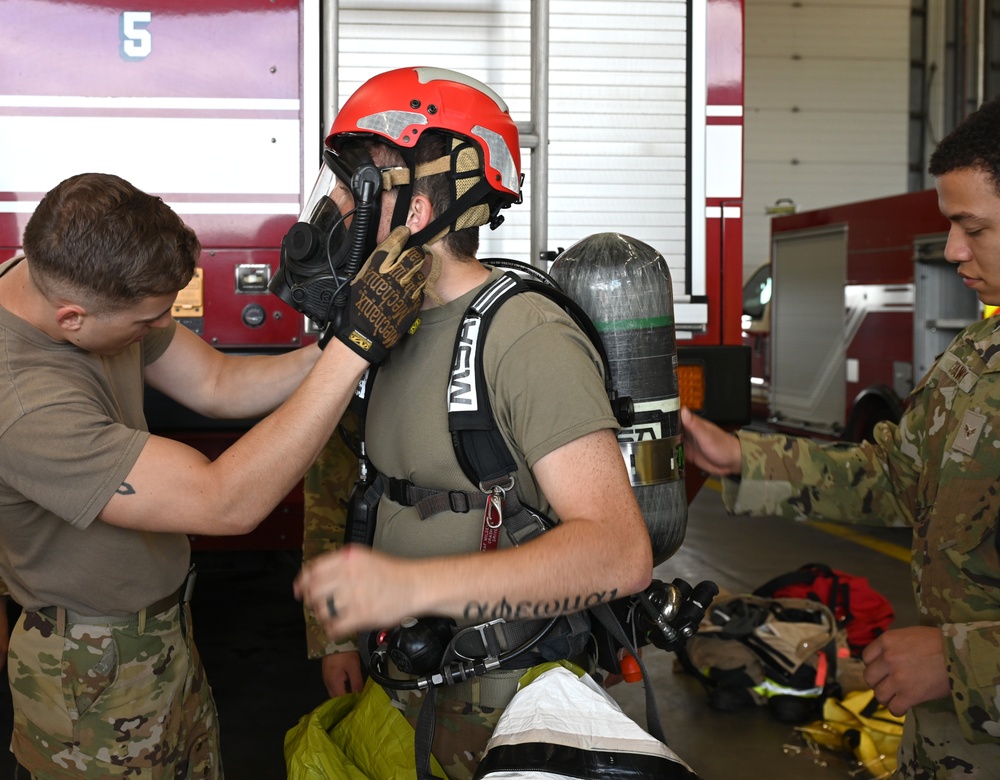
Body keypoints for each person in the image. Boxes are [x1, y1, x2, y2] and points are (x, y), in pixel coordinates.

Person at [0, 171, 428, 778]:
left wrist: (333, 345)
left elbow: (218, 384)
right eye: (148, 322)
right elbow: (223, 500)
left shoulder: (84, 280)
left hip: (161, 633)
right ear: (71, 318)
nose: (158, 330)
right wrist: (353, 351)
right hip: (87, 672)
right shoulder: (23, 402)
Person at [292, 67, 653, 778]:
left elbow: (618, 553)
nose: (334, 207)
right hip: (409, 671)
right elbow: (339, 480)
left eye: (356, 182)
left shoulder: (526, 336)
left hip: (501, 695)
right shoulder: (382, 325)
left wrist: (407, 591)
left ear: (421, 206)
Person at [680, 95, 1000, 779]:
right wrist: (741, 458)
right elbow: (894, 477)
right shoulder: (978, 356)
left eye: (972, 227)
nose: (950, 251)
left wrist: (960, 662)